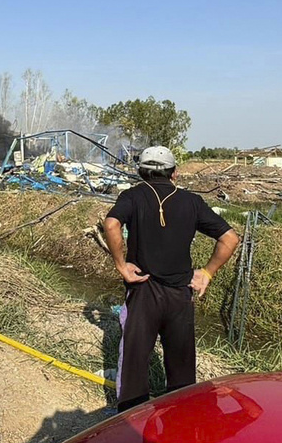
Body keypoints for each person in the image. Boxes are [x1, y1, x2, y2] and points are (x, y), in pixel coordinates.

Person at [102, 146, 240, 412]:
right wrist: (207, 273)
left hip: (143, 290)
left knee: (133, 365)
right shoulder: (191, 201)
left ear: (141, 172)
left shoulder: (132, 196)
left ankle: (131, 420)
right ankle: (181, 420)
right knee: (182, 368)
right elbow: (230, 238)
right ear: (174, 173)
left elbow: (111, 224)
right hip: (180, 295)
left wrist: (121, 265)